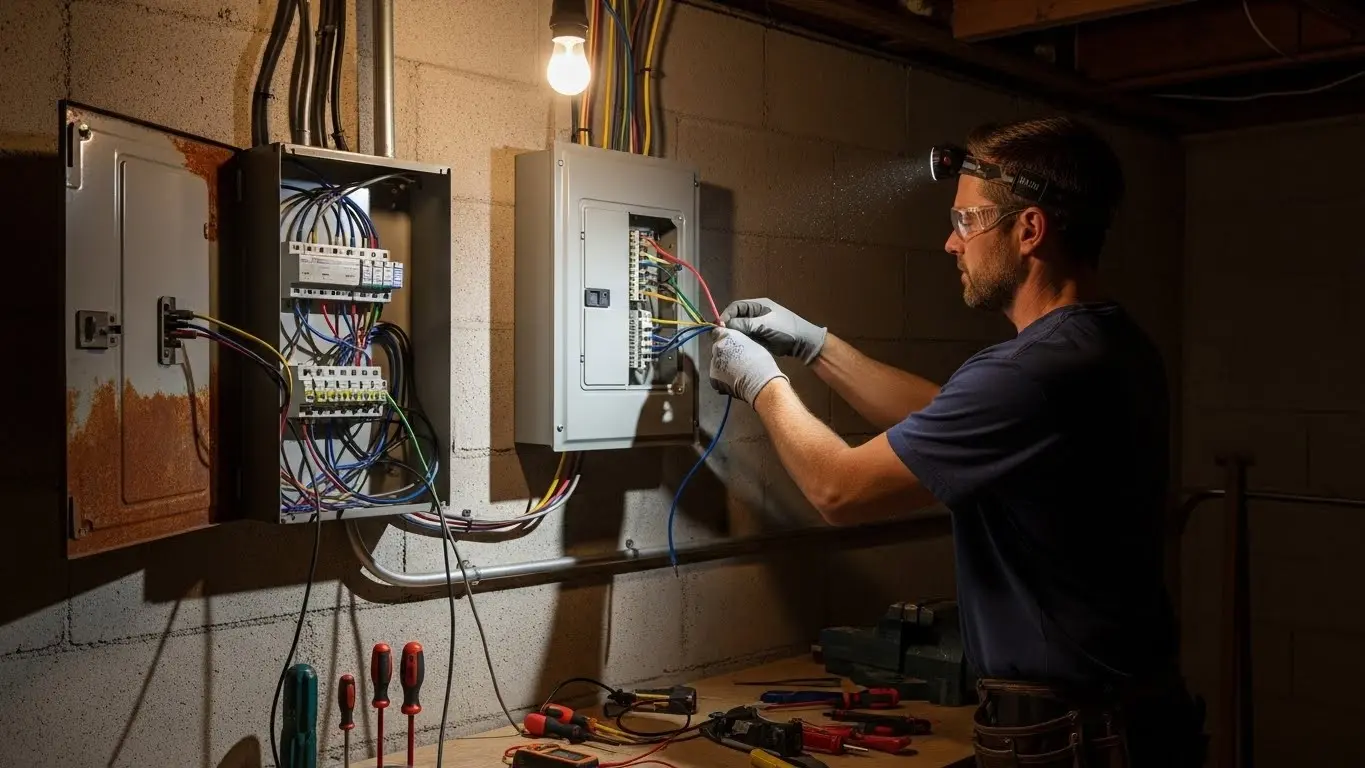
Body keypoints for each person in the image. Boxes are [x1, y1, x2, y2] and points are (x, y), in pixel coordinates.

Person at [707, 117, 1205, 767]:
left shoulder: (1034, 370)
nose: (949, 243)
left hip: (1072, 738)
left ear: (1028, 230)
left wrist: (760, 382)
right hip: (1128, 718)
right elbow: (948, 416)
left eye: (966, 222)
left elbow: (838, 489)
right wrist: (816, 346)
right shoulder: (1106, 343)